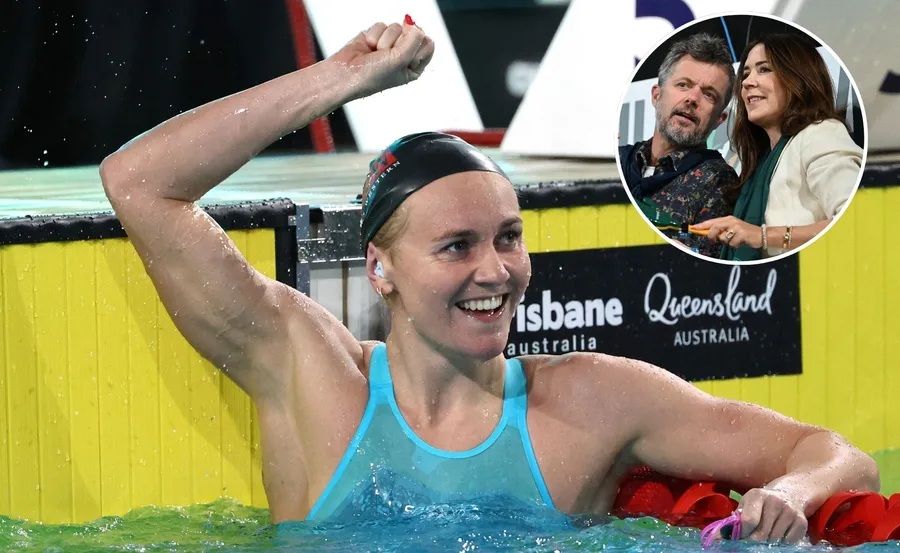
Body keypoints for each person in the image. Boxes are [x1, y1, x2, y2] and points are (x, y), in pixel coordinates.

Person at [100, 17, 879, 543]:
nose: (495, 270)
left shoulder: (592, 399)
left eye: (508, 237)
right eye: (456, 246)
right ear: (381, 267)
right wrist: (338, 81)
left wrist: (794, 494)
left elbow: (838, 454)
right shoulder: (310, 375)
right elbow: (138, 183)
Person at [693, 33, 864, 261]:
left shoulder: (820, 133)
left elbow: (857, 219)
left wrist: (763, 236)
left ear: (798, 77)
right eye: (746, 73)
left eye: (764, 69)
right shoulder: (760, 164)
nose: (747, 82)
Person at [619, 33, 739, 257]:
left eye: (709, 95)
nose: (692, 98)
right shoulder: (620, 159)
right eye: (683, 85)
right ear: (656, 95)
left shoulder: (718, 181)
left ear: (719, 119)